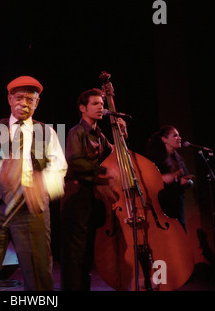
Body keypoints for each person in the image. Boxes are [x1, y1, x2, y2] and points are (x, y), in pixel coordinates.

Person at [0, 75, 67, 291]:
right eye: (19, 98)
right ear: (10, 99)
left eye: (30, 100)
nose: (24, 104)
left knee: (38, 275)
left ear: (37, 103)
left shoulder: (48, 133)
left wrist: (42, 183)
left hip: (32, 210)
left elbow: (59, 169)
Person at [60, 88, 126, 291]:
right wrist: (104, 169)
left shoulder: (101, 136)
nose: (101, 107)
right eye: (95, 104)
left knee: (87, 252)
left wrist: (121, 133)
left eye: (102, 104)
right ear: (82, 108)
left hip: (93, 198)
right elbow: (75, 163)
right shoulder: (76, 132)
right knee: (76, 254)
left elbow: (117, 156)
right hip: (76, 197)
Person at [146, 125, 194, 231]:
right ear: (164, 139)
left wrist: (187, 182)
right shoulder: (155, 158)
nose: (179, 138)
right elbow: (151, 181)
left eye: (179, 135)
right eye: (175, 135)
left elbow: (185, 179)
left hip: (178, 205)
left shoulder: (178, 159)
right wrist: (169, 179)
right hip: (163, 206)